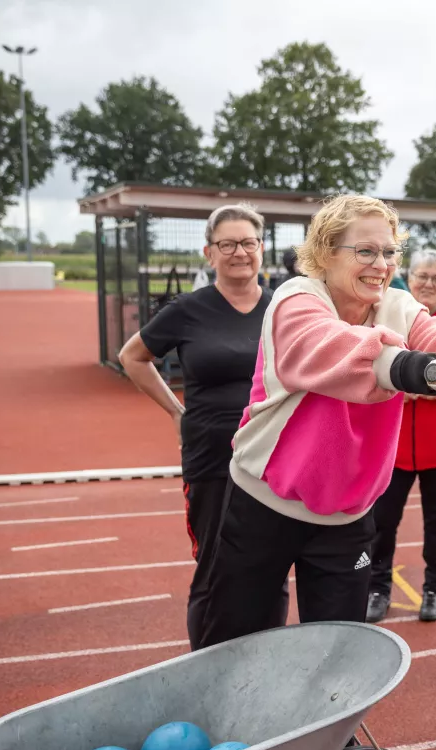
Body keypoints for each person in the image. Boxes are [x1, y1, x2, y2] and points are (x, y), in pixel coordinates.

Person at [193, 194, 436, 650]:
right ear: (327, 253)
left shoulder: (398, 306)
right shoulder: (296, 300)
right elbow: (346, 355)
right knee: (237, 643)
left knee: (336, 656)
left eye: (389, 252)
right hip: (263, 502)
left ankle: (332, 726)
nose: (381, 264)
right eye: (365, 251)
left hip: (347, 516)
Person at [117, 202, 287, 645]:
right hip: (212, 458)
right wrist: (176, 411)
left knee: (269, 567)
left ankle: (268, 665)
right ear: (209, 253)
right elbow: (132, 357)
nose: (239, 252)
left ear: (261, 249)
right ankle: (206, 667)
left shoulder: (283, 309)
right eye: (227, 244)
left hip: (272, 460)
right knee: (215, 570)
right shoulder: (188, 310)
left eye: (248, 243)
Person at [366, 250, 436, 624]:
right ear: (408, 279)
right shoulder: (388, 320)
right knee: (381, 522)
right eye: (422, 276)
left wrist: (429, 387)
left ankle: (434, 589)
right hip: (390, 448)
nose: (428, 284)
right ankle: (377, 588)